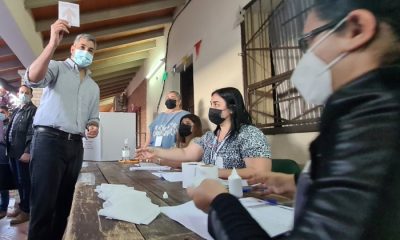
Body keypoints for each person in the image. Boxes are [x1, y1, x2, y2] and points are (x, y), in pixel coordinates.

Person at [188, 1, 400, 239]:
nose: (305, 58)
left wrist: (219, 203)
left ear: (357, 29)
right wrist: (298, 182)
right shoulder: (361, 113)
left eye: (307, 42)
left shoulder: (372, 124)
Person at [23, 19, 100, 240]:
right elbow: (33, 78)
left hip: (75, 146)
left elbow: (93, 117)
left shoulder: (93, 87)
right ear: (73, 49)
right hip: (49, 142)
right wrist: (52, 44)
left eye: (91, 50)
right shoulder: (57, 67)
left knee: (65, 207)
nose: (86, 52)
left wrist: (93, 126)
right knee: (43, 206)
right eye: (82, 47)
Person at [137, 87, 271, 179]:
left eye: (217, 104)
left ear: (232, 109)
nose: (212, 108)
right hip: (211, 190)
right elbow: (185, 153)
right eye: (211, 104)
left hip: (241, 196)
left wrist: (215, 173)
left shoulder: (250, 134)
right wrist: (155, 151)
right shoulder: (210, 137)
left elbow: (260, 172)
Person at [5, 85, 36, 225]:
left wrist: (27, 151)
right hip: (12, 151)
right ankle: (22, 205)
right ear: (18, 93)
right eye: (21, 92)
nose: (23, 94)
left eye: (26, 93)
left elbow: (33, 132)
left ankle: (26, 212)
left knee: (25, 181)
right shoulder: (17, 110)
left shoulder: (33, 110)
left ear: (31, 95)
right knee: (18, 181)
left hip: (22, 153)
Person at [0, 105, 10, 219]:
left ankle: (3, 208)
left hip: (4, 159)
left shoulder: (9, 125)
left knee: (3, 185)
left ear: (7, 113)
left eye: (2, 112)